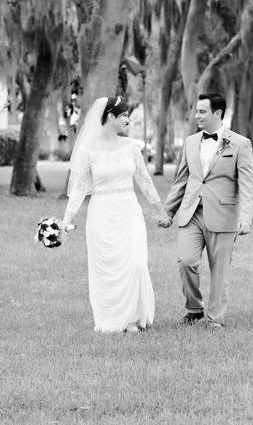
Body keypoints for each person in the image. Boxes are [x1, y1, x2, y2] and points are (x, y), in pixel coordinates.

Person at [62, 96, 162, 333]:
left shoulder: (131, 147)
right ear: (110, 117)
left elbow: (144, 181)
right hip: (102, 213)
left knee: (136, 263)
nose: (128, 119)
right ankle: (115, 319)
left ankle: (134, 316)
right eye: (124, 115)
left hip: (128, 210)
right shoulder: (89, 150)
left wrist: (160, 211)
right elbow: (79, 189)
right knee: (107, 268)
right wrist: (67, 220)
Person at [158, 92, 253, 328]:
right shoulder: (191, 142)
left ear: (218, 113)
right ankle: (194, 309)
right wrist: (167, 212)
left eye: (202, 111)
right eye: (196, 111)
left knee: (219, 270)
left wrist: (245, 218)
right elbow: (181, 180)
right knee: (186, 261)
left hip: (223, 216)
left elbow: (247, 184)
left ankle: (215, 319)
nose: (196, 116)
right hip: (190, 213)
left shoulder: (240, 143)